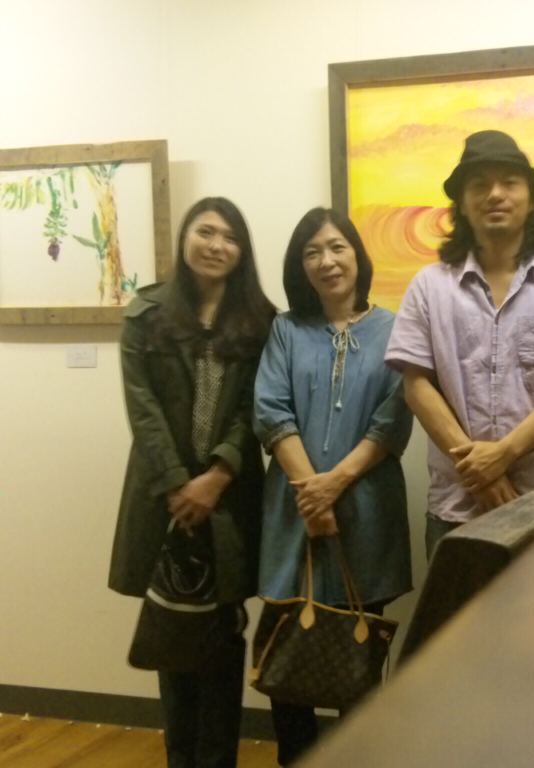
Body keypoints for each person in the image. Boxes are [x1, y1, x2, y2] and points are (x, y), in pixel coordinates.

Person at [385, 129, 534, 558]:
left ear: (531, 199)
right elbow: (416, 386)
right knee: (457, 607)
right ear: (461, 204)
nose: (495, 194)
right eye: (479, 184)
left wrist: (504, 454)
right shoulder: (428, 286)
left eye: (509, 182)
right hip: (458, 506)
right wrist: (479, 473)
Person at [109, 197, 276, 768]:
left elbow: (256, 406)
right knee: (172, 638)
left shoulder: (261, 321)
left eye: (229, 237)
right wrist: (179, 485)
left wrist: (218, 475)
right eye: (205, 232)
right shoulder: (147, 315)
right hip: (165, 500)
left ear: (242, 251)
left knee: (223, 640)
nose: (216, 245)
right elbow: (142, 408)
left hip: (229, 500)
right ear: (184, 238)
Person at [253, 207, 413, 765]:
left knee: (359, 660)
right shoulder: (286, 330)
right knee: (287, 659)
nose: (327, 261)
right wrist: (310, 493)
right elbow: (270, 411)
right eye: (312, 252)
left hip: (366, 511)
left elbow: (392, 420)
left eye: (337, 247)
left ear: (358, 256)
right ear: (300, 266)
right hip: (292, 513)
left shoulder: (395, 329)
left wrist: (334, 485)